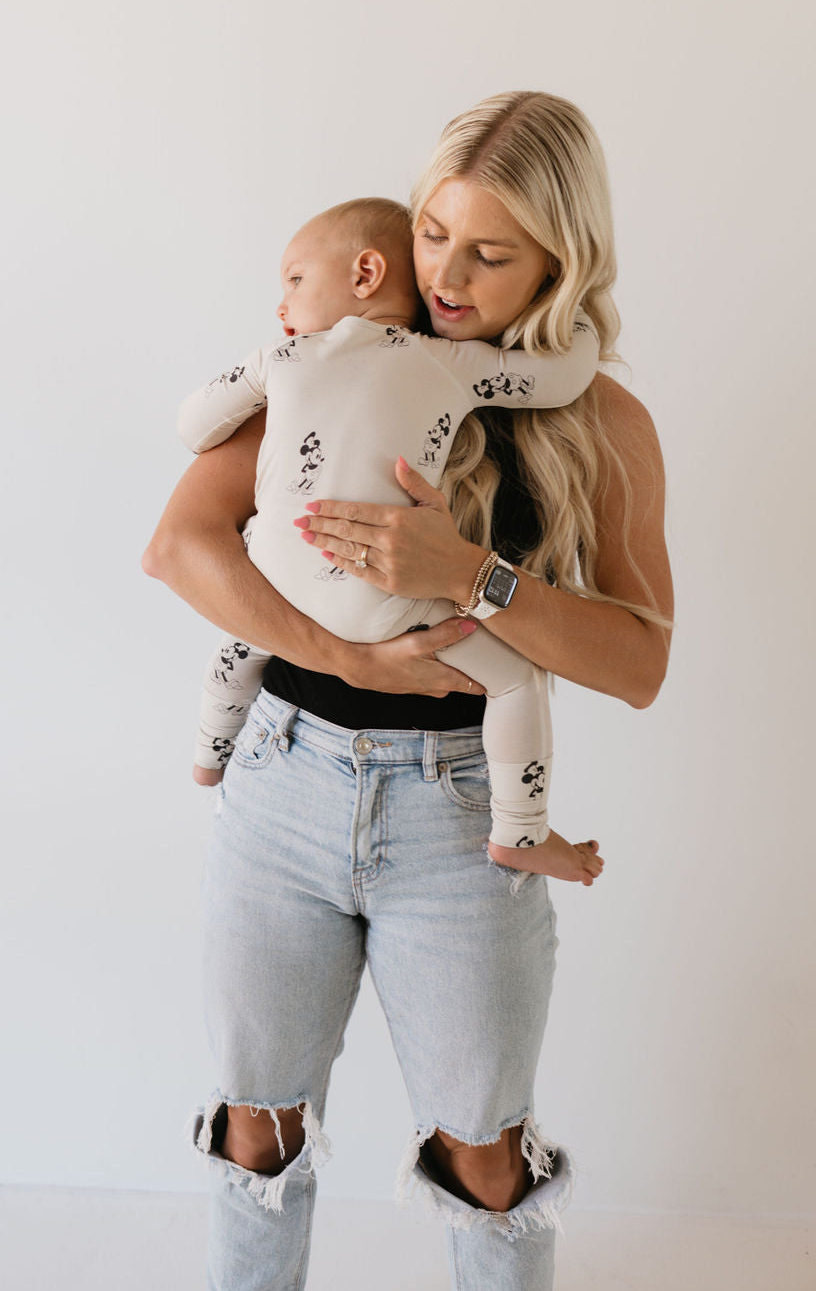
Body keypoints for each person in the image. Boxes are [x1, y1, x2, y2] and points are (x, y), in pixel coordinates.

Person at [142, 91, 673, 1291]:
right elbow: (180, 545)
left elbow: (638, 662)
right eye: (436, 232)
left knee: (485, 1153)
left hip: (460, 815)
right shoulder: (338, 351)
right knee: (254, 1128)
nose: (445, 272)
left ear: (561, 260)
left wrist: (472, 576)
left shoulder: (599, 420)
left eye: (491, 254)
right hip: (282, 776)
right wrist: (343, 659)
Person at [178, 196, 603, 883]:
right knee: (516, 680)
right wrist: (573, 309)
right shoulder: (450, 363)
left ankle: (209, 752)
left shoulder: (280, 357)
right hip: (388, 600)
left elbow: (192, 426)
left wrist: (257, 379)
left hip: (277, 582)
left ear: (367, 271)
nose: (282, 305)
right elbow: (562, 377)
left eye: (292, 281)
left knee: (239, 641)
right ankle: (520, 832)